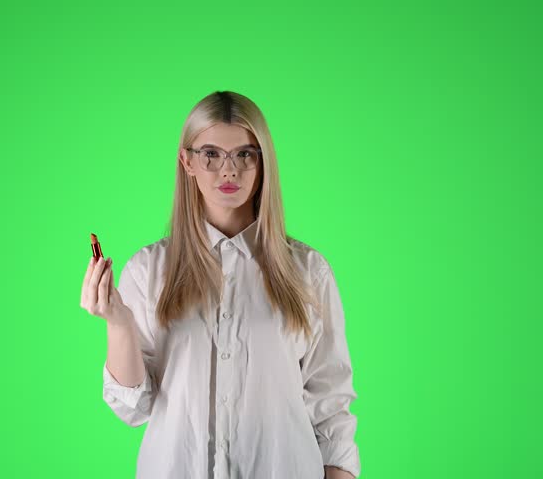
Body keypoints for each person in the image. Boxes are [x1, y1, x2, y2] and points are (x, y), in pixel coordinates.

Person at [81, 90, 361, 478]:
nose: (228, 171)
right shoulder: (149, 270)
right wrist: (118, 322)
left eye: (244, 154)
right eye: (211, 154)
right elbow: (134, 407)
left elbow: (330, 404)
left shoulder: (308, 271)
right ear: (187, 162)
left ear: (263, 162)